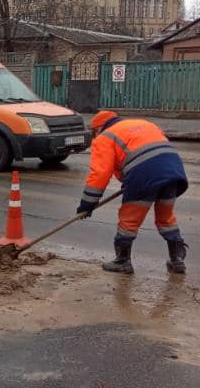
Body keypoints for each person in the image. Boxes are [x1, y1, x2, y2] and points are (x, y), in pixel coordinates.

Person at [78, 110, 188, 274]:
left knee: (129, 220)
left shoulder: (105, 137)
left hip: (143, 175)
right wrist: (128, 181)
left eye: (94, 133)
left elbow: (100, 173)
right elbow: (139, 153)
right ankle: (177, 260)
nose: (94, 136)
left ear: (98, 129)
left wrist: (87, 203)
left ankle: (123, 261)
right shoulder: (143, 124)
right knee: (166, 217)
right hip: (173, 171)